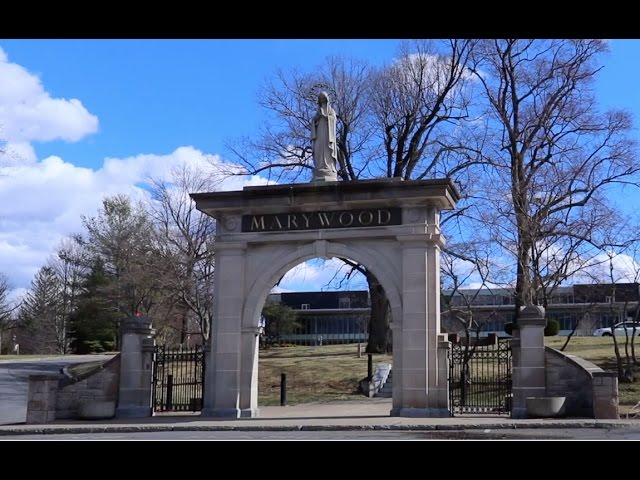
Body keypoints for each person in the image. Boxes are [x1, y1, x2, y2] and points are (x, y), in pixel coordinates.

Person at [310, 91, 338, 181]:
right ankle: (319, 166)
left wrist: (325, 116)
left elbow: (333, 120)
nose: (322, 101)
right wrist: (317, 118)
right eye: (320, 99)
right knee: (318, 149)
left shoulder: (331, 111)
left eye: (323, 99)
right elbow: (313, 122)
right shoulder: (317, 112)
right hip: (319, 135)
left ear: (326, 100)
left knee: (327, 150)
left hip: (327, 134)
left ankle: (329, 167)